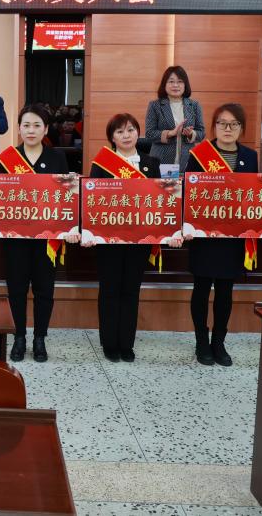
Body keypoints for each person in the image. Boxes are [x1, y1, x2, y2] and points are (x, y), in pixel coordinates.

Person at [184, 103, 262, 367]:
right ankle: (201, 342)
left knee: (225, 290)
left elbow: (256, 195)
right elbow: (188, 193)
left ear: (241, 128)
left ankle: (219, 342)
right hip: (204, 236)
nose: (227, 129)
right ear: (214, 126)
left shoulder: (250, 157)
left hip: (234, 236)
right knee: (201, 288)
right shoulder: (199, 154)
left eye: (234, 124)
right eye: (222, 123)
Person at [83, 113, 181, 363]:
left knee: (131, 290)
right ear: (112, 138)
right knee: (109, 290)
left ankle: (126, 343)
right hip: (108, 241)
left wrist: (171, 231)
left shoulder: (152, 163)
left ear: (138, 132)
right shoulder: (101, 164)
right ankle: (109, 343)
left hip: (139, 241)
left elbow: (161, 202)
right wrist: (89, 232)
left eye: (130, 130)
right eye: (119, 131)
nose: (126, 135)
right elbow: (92, 203)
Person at [0, 105, 78, 363]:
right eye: (26, 125)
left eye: (37, 125)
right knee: (16, 289)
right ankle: (19, 337)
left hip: (47, 238)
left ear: (46, 129)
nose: (31, 130)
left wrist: (70, 228)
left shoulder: (57, 158)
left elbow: (66, 197)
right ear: (19, 129)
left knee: (44, 290)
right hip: (16, 238)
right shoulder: (7, 159)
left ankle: (39, 338)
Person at [145, 65, 205, 173]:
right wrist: (170, 133)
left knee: (184, 184)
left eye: (180, 81)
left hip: (187, 159)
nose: (175, 85)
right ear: (164, 84)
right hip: (161, 160)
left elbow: (201, 133)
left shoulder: (194, 105)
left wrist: (191, 134)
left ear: (185, 84)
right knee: (164, 185)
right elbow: (149, 133)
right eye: (171, 81)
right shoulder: (155, 105)